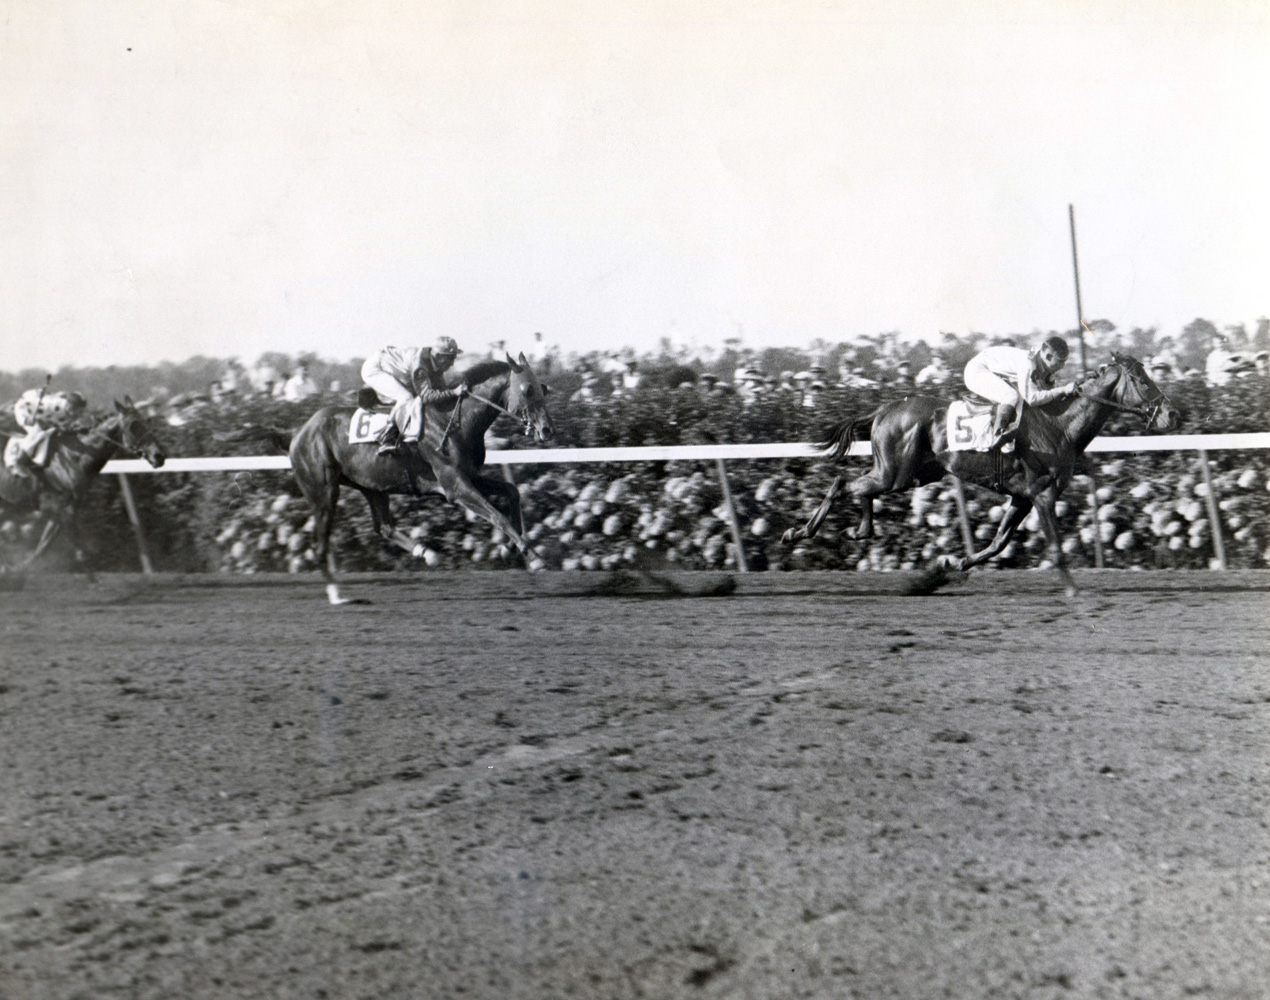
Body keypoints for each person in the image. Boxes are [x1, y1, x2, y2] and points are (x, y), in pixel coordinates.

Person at [963, 335, 1077, 447]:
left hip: (990, 367)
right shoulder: (1028, 364)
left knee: (1018, 396)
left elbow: (1049, 393)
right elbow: (1032, 399)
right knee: (1011, 395)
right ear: (1048, 356)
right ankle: (998, 434)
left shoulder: (1041, 361)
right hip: (976, 371)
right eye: (1060, 361)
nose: (1062, 366)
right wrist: (1062, 389)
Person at [360, 337, 468, 454]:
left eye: (454, 358)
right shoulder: (419, 365)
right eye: (450, 358)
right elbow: (426, 396)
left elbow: (442, 390)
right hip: (375, 369)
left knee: (413, 397)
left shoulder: (435, 364)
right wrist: (453, 392)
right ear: (438, 356)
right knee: (406, 397)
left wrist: (458, 391)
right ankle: (388, 438)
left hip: (396, 369)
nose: (452, 364)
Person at [4, 385, 86, 477]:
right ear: (70, 407)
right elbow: (24, 403)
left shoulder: (68, 412)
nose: (81, 414)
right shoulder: (49, 404)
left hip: (42, 418)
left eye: (82, 411)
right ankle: (20, 460)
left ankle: (37, 460)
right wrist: (27, 418)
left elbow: (59, 424)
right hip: (25, 412)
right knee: (37, 432)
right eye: (79, 411)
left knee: (49, 433)